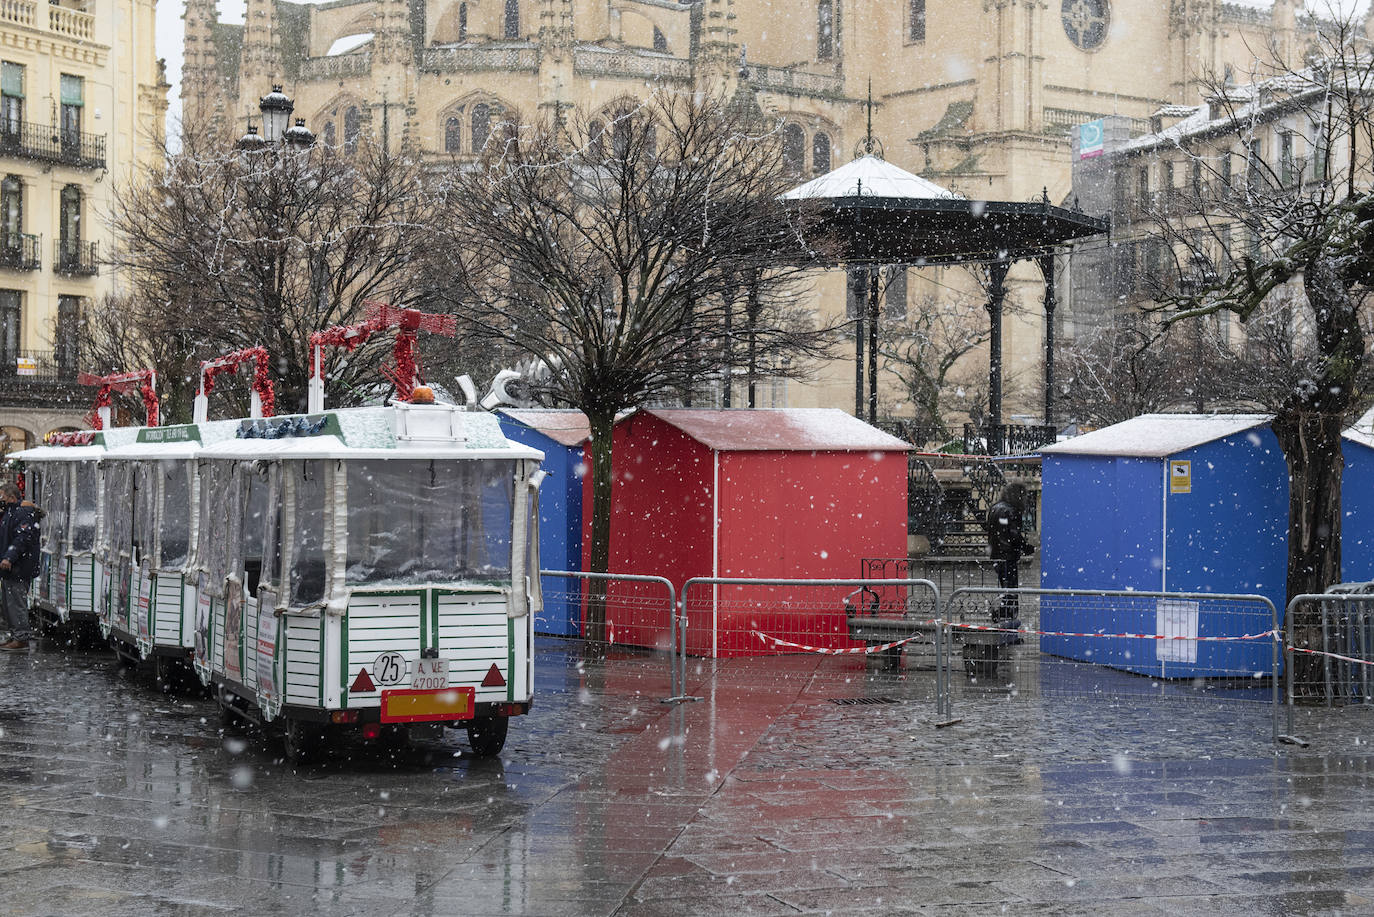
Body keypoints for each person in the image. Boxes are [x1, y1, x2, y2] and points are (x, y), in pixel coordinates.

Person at [0, 482, 40, 651]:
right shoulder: (11, 513)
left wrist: (9, 557)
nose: (0, 498)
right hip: (12, 568)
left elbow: (21, 539)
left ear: (11, 497)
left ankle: (21, 638)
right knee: (9, 603)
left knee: (16, 603)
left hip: (18, 568)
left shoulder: (21, 514)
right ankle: (16, 635)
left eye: (2, 495)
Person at [986, 483, 1034, 620]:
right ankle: (1007, 616)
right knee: (1011, 589)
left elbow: (992, 531)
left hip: (996, 555)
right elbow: (1014, 536)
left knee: (1005, 587)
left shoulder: (995, 508)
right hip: (1008, 556)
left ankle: (1003, 613)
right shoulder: (1012, 511)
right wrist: (1027, 548)